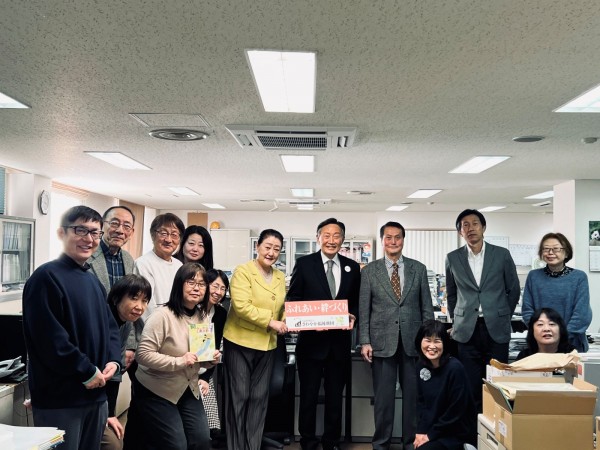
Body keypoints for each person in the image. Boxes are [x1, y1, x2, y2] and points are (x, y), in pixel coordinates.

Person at [22, 205, 121, 450]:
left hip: (96, 395)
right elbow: (50, 341)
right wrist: (86, 371)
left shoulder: (92, 280)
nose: (89, 239)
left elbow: (110, 328)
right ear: (61, 233)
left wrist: (113, 361)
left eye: (95, 233)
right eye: (80, 230)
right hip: (61, 399)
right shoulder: (45, 277)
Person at [287, 218, 361, 450]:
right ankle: (308, 441)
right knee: (308, 397)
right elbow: (293, 299)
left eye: (336, 236)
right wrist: (309, 321)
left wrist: (353, 315)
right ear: (318, 238)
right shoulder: (304, 264)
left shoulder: (352, 267)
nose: (331, 240)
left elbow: (356, 302)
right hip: (311, 345)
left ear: (342, 239)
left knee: (334, 398)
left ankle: (331, 441)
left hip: (339, 346)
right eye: (326, 235)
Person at [359, 221, 434, 450]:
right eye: (389, 237)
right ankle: (381, 444)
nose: (393, 241)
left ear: (403, 240)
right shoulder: (369, 271)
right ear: (383, 240)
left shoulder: (418, 269)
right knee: (383, 400)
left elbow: (427, 309)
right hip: (381, 342)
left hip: (413, 343)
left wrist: (429, 340)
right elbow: (364, 310)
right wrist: (365, 341)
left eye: (398, 237)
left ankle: (410, 444)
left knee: (413, 398)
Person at [131, 263, 220, 450]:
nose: (196, 288)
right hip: (157, 389)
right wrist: (179, 361)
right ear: (179, 284)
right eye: (191, 282)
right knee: (176, 445)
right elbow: (143, 355)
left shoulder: (203, 317)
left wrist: (210, 361)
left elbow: (200, 358)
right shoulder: (162, 315)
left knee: (202, 440)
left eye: (201, 284)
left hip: (188, 388)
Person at [445, 209, 520, 411]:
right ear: (460, 232)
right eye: (465, 225)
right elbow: (452, 293)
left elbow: (513, 289)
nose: (471, 228)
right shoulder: (452, 258)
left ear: (483, 227)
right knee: (470, 385)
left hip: (496, 327)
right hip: (466, 330)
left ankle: (497, 426)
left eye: (475, 223)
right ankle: (473, 429)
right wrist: (456, 320)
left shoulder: (501, 255)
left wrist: (503, 314)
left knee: (497, 383)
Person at [222, 229, 287, 450]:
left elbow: (282, 307)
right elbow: (241, 307)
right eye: (267, 247)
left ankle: (253, 446)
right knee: (239, 397)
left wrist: (286, 319)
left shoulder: (279, 277)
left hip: (267, 344)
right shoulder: (243, 271)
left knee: (259, 398)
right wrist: (271, 322)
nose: (271, 253)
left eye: (276, 249)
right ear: (257, 246)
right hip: (240, 342)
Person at [102, 274, 151, 450]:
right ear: (116, 298)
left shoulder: (127, 323)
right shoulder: (102, 319)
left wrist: (110, 414)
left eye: (144, 301)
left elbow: (116, 371)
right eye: (134, 298)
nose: (140, 307)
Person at [521, 232, 592, 352]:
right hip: (541, 345)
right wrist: (542, 333)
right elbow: (527, 311)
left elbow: (582, 314)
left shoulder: (579, 277)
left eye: (556, 249)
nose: (550, 252)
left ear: (566, 253)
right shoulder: (534, 276)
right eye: (546, 249)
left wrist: (561, 338)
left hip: (571, 344)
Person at [413, 320, 477, 450]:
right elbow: (422, 403)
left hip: (455, 432)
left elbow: (456, 411)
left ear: (445, 344)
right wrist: (421, 431)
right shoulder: (420, 365)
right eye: (427, 340)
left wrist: (430, 435)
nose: (432, 346)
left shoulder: (455, 368)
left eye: (437, 341)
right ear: (420, 341)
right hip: (436, 429)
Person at [134, 213, 185, 318]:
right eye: (163, 233)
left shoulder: (179, 265)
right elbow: (145, 305)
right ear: (153, 235)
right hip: (154, 325)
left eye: (174, 234)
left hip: (176, 323)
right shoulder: (143, 264)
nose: (168, 240)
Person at [198, 269, 229, 438]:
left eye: (223, 288)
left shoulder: (221, 314)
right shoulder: (192, 309)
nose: (218, 292)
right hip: (183, 370)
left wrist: (205, 377)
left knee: (211, 426)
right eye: (215, 286)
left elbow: (214, 349)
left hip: (205, 371)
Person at [89, 205, 136, 292]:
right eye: (114, 223)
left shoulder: (129, 259)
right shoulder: (87, 255)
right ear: (102, 225)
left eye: (127, 226)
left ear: (132, 233)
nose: (120, 231)